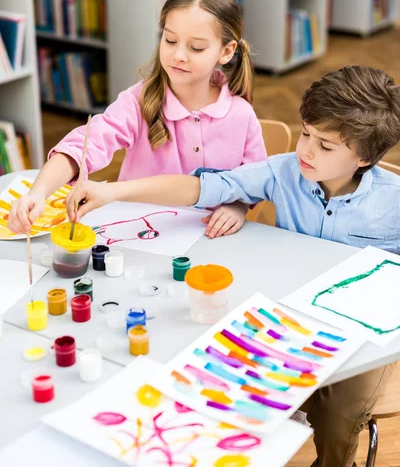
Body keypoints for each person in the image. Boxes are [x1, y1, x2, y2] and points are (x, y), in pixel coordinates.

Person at [62, 65, 400, 467]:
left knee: (337, 410)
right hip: (290, 322)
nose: (306, 150)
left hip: (361, 336)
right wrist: (113, 190)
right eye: (306, 133)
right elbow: (201, 187)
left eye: (325, 147)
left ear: (363, 157)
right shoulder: (284, 172)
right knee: (223, 382)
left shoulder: (392, 202)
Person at [8, 0, 266, 238]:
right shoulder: (138, 101)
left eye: (196, 47)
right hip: (135, 235)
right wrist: (38, 192)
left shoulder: (241, 115)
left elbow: (255, 182)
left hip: (207, 239)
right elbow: (83, 145)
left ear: (226, 51)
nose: (178, 55)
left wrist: (238, 205)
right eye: (170, 39)